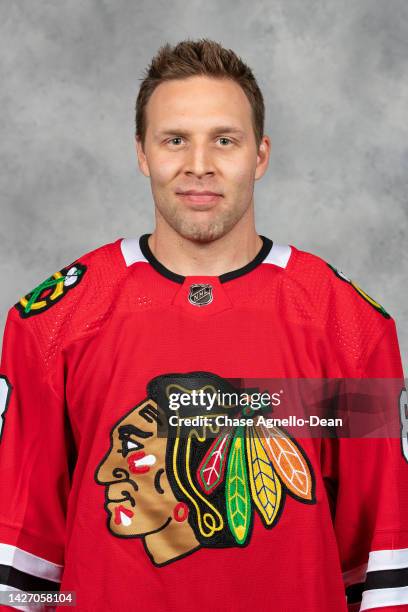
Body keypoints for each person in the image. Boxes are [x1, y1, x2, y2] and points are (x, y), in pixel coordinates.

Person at [0, 38, 407, 612]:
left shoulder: (350, 324)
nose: (198, 165)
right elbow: (23, 560)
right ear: (142, 153)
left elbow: (383, 559)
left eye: (224, 139)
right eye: (174, 140)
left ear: (260, 155)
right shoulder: (52, 321)